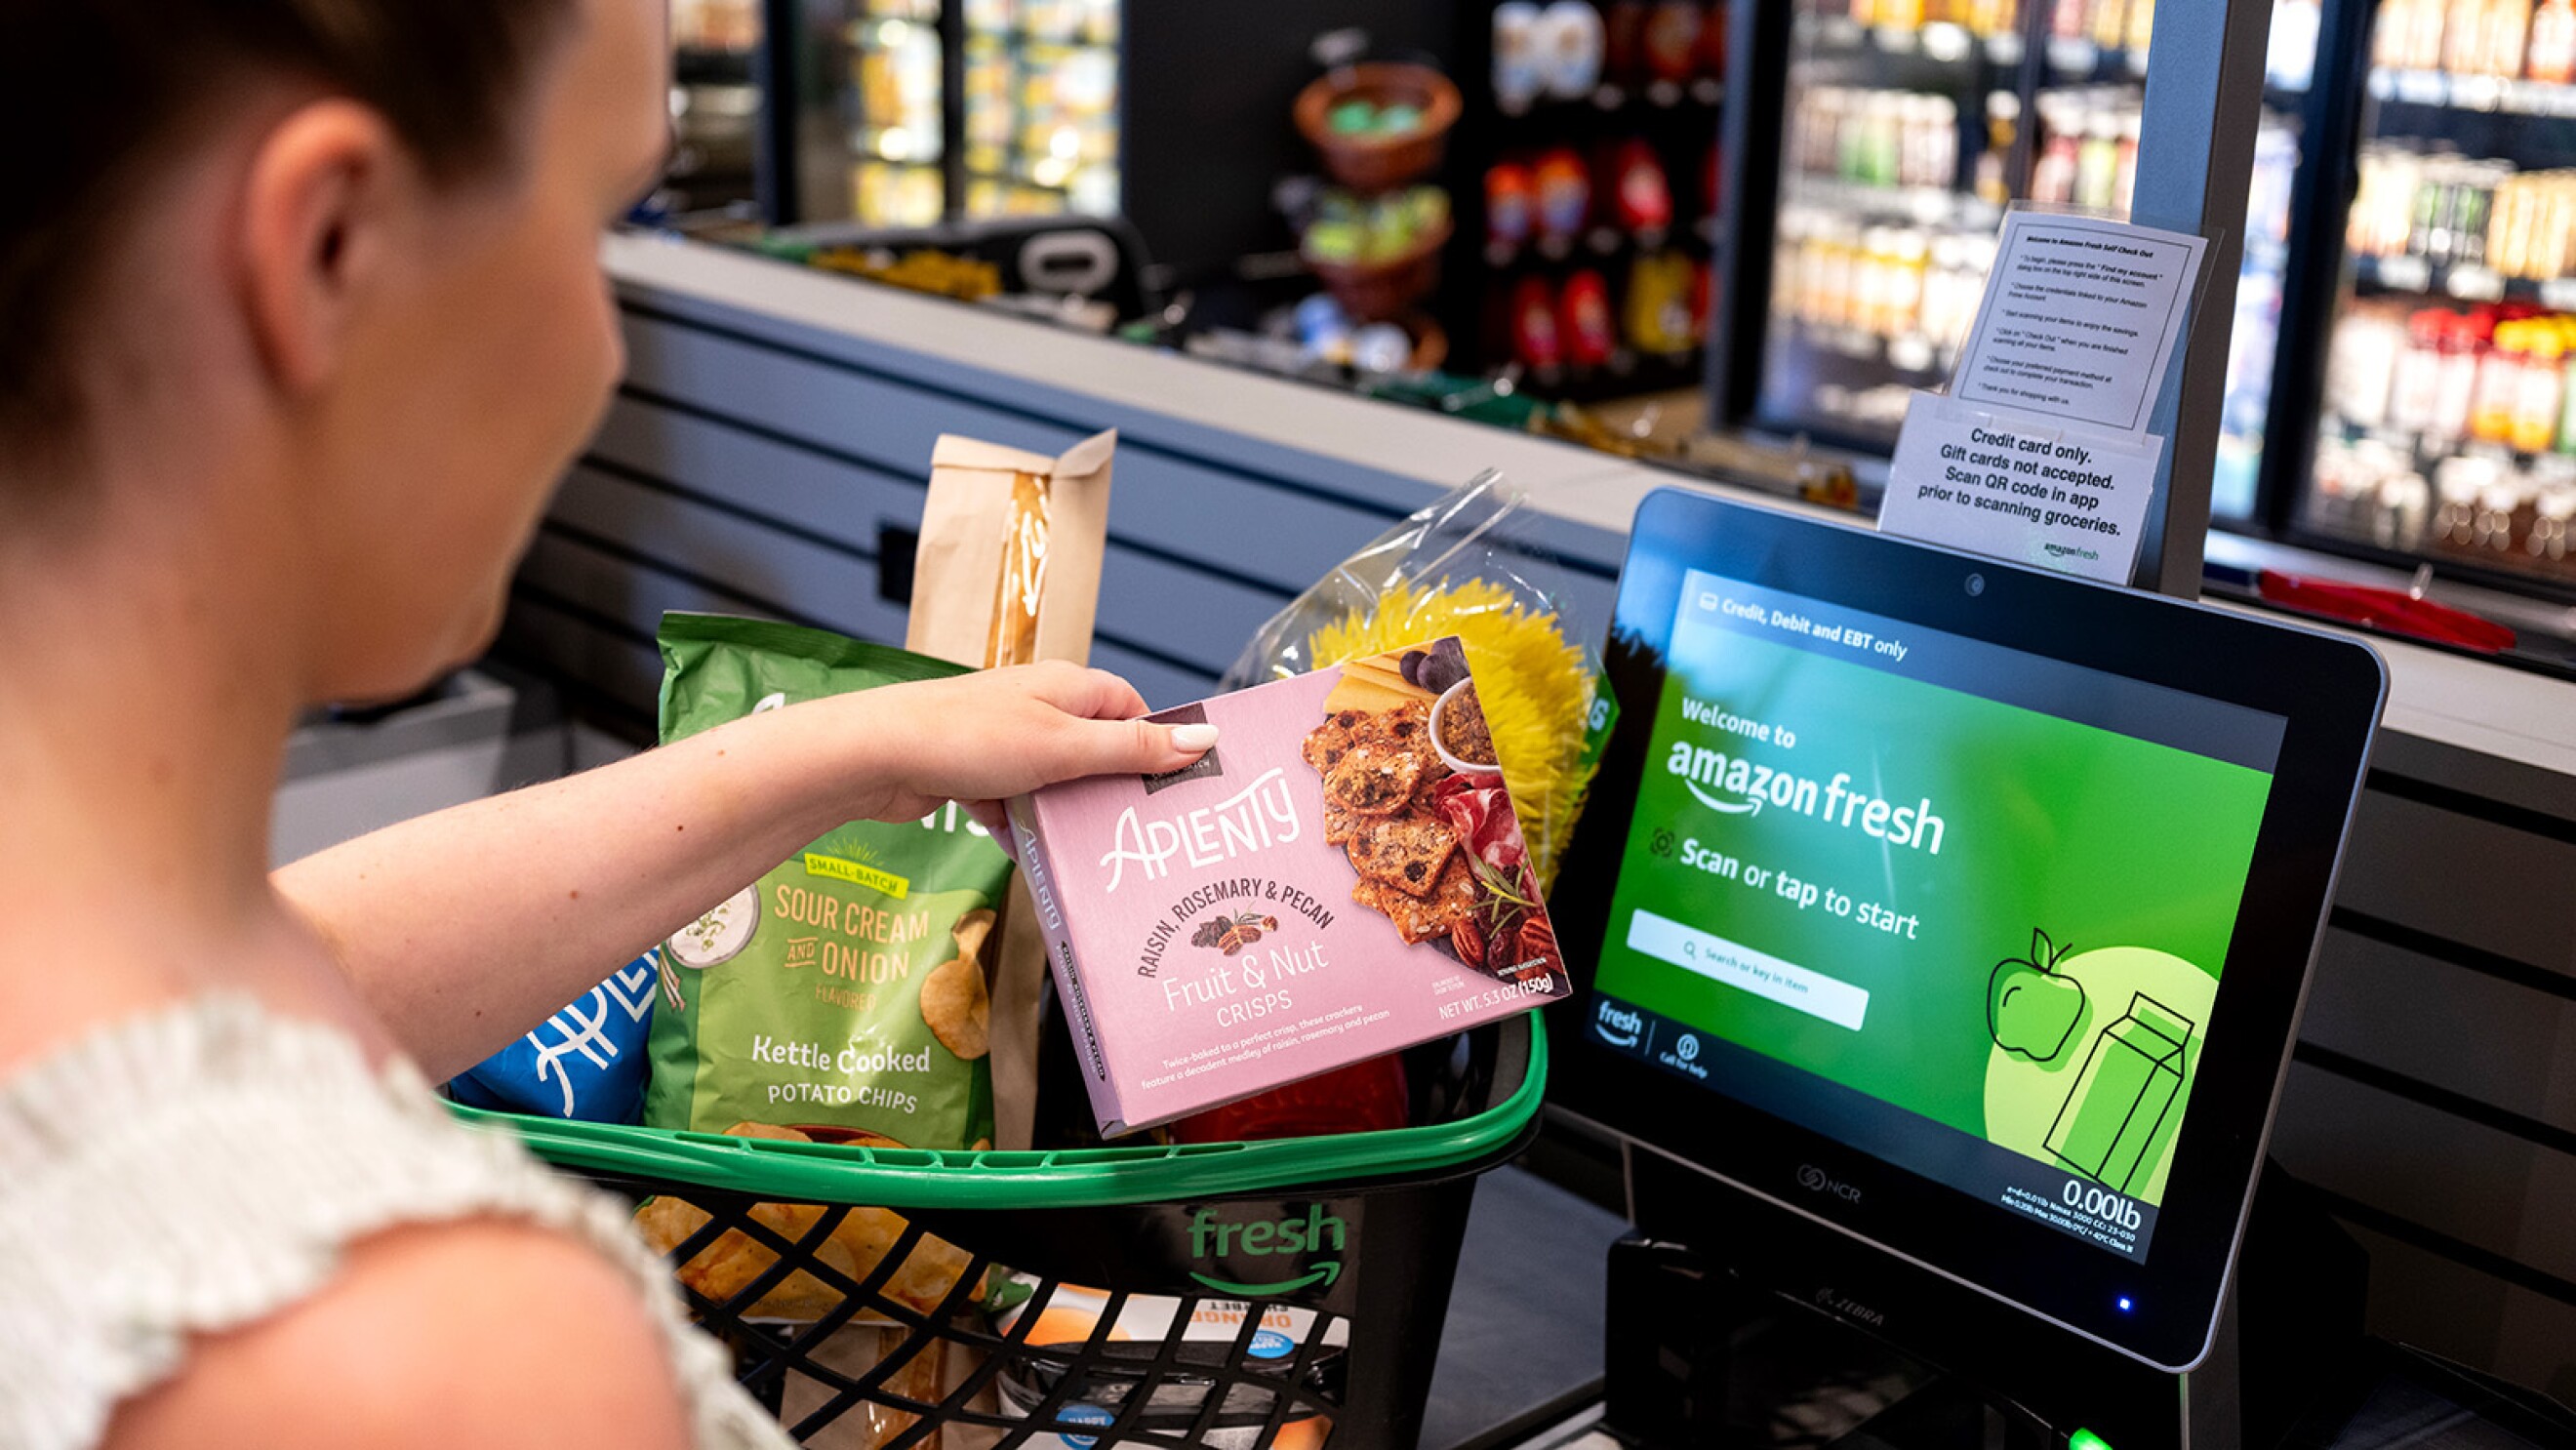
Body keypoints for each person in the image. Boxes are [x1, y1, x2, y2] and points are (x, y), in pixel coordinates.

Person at [0, 4, 1215, 1447]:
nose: (604, 346)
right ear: (329, 249)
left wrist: (851, 748)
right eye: (600, 223)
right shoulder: (440, 1358)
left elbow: (299, 967)